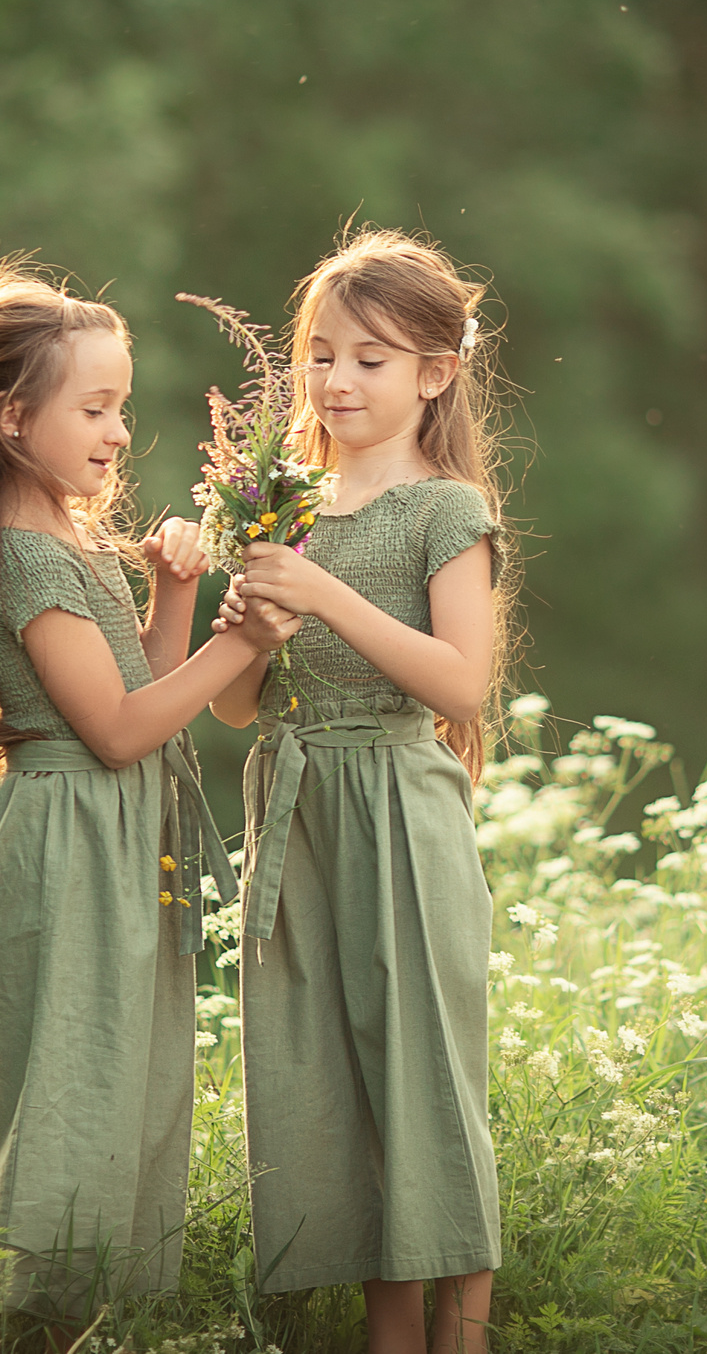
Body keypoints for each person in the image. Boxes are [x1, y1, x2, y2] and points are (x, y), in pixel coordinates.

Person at [0, 254, 298, 1327]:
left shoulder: (66, 539)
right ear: (11, 418)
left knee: (118, 1091)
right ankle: (12, 1328)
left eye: (121, 407)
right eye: (96, 407)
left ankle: (94, 1324)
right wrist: (246, 640)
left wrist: (177, 596)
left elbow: (134, 688)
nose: (120, 432)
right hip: (67, 847)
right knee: (66, 1107)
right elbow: (122, 733)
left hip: (115, 840)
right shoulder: (23, 558)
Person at [209, 229, 513, 1354]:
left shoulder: (444, 510)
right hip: (292, 805)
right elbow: (237, 708)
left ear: (433, 373)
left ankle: (464, 1333)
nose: (337, 380)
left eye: (370, 360)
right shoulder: (281, 507)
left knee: (424, 1063)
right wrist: (251, 621)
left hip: (399, 799)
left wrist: (323, 596)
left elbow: (461, 683)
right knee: (327, 1067)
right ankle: (388, 1333)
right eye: (320, 356)